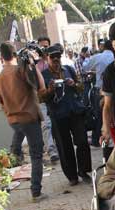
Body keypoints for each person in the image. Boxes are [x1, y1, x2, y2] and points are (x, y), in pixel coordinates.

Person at [0, 42, 47, 202]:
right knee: (36, 154)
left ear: (2, 56)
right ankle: (36, 191)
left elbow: (1, 102)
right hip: (29, 117)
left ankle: (13, 157)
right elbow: (41, 88)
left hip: (13, 119)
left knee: (22, 147)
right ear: (15, 54)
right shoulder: (20, 70)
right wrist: (33, 65)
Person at [41, 43, 92, 186]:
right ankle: (72, 176)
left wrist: (74, 85)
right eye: (53, 57)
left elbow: (81, 87)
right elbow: (41, 97)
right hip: (58, 114)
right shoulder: (43, 75)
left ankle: (83, 170)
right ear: (47, 58)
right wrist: (50, 89)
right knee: (65, 146)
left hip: (75, 111)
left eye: (58, 56)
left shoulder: (68, 69)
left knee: (82, 141)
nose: (56, 59)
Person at [84, 39, 115, 146]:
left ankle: (97, 139)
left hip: (100, 90)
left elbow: (85, 66)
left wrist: (88, 57)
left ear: (103, 47)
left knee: (99, 115)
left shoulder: (99, 57)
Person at [34, 36, 60, 163]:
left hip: (56, 98)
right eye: (42, 46)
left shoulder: (54, 60)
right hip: (42, 99)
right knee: (47, 125)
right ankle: (51, 150)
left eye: (46, 46)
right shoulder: (35, 64)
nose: (44, 48)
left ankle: (58, 147)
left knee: (56, 125)